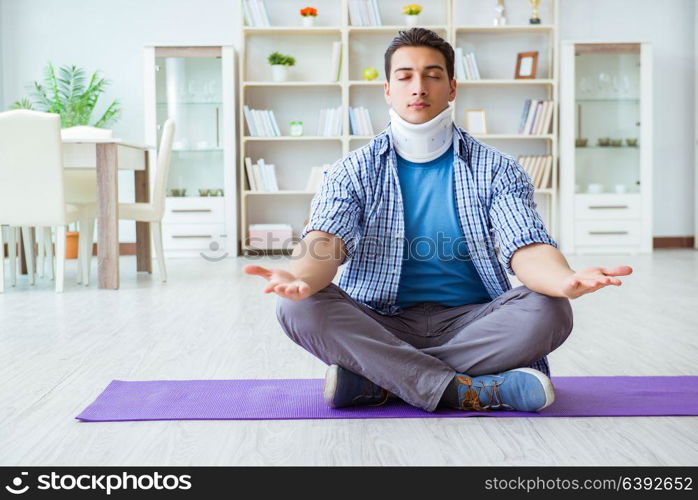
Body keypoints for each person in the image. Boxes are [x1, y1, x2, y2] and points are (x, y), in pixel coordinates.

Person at [245, 28, 632, 413]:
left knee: (551, 309)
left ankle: (381, 380)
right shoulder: (350, 171)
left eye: (432, 75)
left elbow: (526, 245)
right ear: (388, 90)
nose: (419, 87)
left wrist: (564, 280)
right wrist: (301, 278)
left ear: (452, 88)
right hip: (381, 322)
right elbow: (325, 240)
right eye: (405, 76)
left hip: (472, 323)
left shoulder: (498, 169)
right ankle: (472, 391)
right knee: (296, 307)